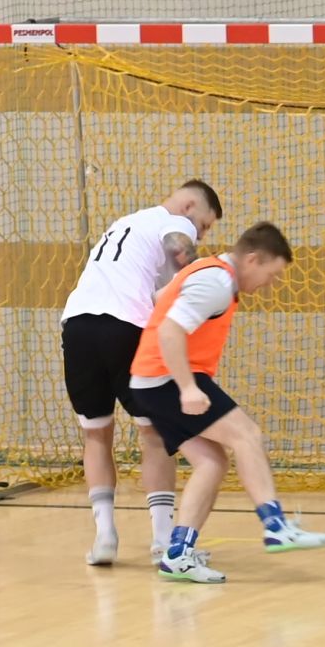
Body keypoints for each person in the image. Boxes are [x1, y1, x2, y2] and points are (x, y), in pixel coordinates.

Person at [130, 222, 325, 584]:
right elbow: (170, 330)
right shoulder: (217, 283)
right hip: (166, 379)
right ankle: (276, 526)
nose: (271, 284)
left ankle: (178, 554)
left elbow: (161, 299)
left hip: (150, 380)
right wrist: (187, 388)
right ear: (252, 259)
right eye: (272, 274)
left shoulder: (207, 271)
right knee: (246, 435)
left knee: (212, 462)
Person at [60, 180, 222, 566]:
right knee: (154, 433)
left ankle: (104, 537)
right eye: (204, 225)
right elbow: (184, 265)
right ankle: (163, 541)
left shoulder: (126, 223)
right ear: (189, 205)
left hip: (77, 327)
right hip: (125, 328)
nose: (200, 234)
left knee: (96, 434)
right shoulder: (175, 223)